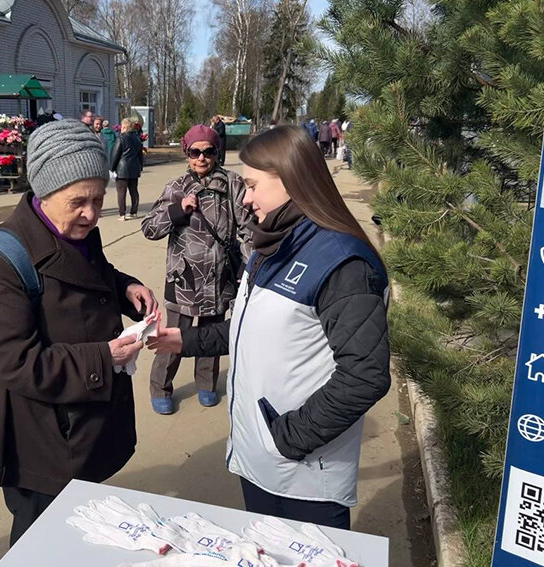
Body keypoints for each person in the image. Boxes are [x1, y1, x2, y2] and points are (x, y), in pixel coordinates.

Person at [148, 125, 390, 529]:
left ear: (292, 181)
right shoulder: (274, 243)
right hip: (258, 462)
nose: (245, 197)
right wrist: (185, 340)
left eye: (254, 185)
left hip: (304, 477)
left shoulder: (343, 263)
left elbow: (365, 375)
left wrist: (286, 439)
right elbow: (249, 325)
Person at [0, 119, 159, 546]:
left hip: (80, 427)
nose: (92, 213)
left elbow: (92, 276)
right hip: (40, 442)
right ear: (44, 194)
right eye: (79, 202)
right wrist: (104, 358)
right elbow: (12, 362)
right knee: (44, 542)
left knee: (81, 531)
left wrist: (125, 287)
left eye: (98, 198)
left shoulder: (74, 231)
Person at [141, 124, 252, 415]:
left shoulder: (232, 184)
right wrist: (178, 211)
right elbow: (149, 228)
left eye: (208, 151)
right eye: (195, 152)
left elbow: (249, 228)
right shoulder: (176, 187)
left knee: (211, 336)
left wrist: (251, 265)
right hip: (184, 280)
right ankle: (160, 387)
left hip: (219, 279)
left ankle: (206, 384)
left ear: (217, 153)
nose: (201, 158)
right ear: (186, 153)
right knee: (173, 336)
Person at [110, 118, 144, 221]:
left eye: (122, 126)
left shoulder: (121, 138)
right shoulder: (137, 139)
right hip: (134, 168)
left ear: (125, 127)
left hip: (122, 168)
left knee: (121, 192)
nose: (121, 129)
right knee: (134, 191)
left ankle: (122, 214)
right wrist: (140, 167)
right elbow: (140, 155)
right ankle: (134, 212)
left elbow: (115, 154)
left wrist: (112, 167)